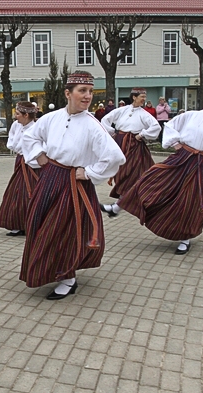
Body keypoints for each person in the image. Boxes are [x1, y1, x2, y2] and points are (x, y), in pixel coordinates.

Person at [20, 71, 125, 300]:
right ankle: (46, 268)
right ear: (68, 93)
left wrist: (88, 172)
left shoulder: (93, 125)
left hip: (73, 184)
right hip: (49, 178)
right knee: (39, 224)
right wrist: (40, 156)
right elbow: (29, 137)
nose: (87, 96)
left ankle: (68, 278)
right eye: (82, 91)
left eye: (90, 91)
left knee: (64, 231)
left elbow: (115, 157)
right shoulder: (51, 118)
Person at [116, 81, 203, 254]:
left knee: (191, 200)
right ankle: (120, 206)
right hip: (181, 157)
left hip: (199, 164)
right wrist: (175, 143)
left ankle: (185, 237)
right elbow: (170, 125)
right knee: (152, 178)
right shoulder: (191, 115)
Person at [99, 88, 161, 215]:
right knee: (122, 173)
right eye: (142, 96)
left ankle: (118, 207)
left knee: (131, 174)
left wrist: (142, 134)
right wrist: (112, 132)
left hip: (134, 145)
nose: (144, 99)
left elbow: (156, 127)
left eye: (145, 97)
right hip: (120, 142)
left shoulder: (144, 114)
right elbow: (105, 119)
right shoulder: (123, 110)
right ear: (134, 97)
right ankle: (121, 206)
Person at [0, 101, 39, 236]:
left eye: (18, 114)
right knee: (17, 191)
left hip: (32, 163)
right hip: (20, 160)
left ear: (26, 115)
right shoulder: (16, 125)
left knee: (28, 191)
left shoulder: (36, 128)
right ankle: (18, 223)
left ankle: (30, 224)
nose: (16, 116)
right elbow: (12, 141)